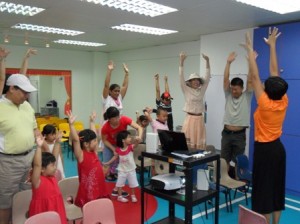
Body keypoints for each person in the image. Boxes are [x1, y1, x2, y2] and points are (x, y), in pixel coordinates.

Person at [245, 27, 288, 224]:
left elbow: (255, 78)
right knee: (277, 187)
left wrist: (251, 57)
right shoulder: (282, 100)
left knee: (263, 190)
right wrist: (272, 46)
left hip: (264, 150)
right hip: (278, 149)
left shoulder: (265, 104)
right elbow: (273, 72)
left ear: (267, 90)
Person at [0, 74, 38, 224]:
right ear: (12, 89)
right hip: (8, 162)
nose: (27, 96)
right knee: (6, 200)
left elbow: (34, 129)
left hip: (29, 157)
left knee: (24, 195)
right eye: (24, 92)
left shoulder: (26, 106)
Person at [67, 111, 109, 208]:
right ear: (86, 144)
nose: (96, 141)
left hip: (99, 186)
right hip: (88, 190)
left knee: (98, 208)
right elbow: (76, 140)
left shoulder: (94, 152)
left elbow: (94, 133)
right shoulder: (81, 155)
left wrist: (92, 121)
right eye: (94, 141)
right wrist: (71, 125)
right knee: (88, 210)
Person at [221, 52, 253, 171]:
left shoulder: (247, 96)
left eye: (236, 89)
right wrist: (228, 63)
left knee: (238, 160)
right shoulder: (228, 94)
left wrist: (251, 62)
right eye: (232, 88)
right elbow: (225, 79)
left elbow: (250, 80)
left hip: (239, 135)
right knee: (224, 159)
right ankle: (223, 181)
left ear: (242, 89)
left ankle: (237, 183)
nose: (233, 91)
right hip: (226, 133)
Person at [101, 106, 142, 197]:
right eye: (115, 118)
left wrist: (139, 136)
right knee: (106, 167)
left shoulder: (124, 119)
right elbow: (104, 140)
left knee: (121, 169)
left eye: (118, 116)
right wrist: (113, 149)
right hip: (110, 146)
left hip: (121, 146)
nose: (118, 119)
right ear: (109, 119)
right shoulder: (105, 127)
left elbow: (139, 128)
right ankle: (100, 188)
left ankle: (117, 189)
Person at [28, 136, 67, 224]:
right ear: (42, 169)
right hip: (42, 211)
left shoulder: (52, 176)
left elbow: (55, 157)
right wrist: (38, 147)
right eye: (52, 165)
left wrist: (57, 143)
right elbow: (37, 164)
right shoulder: (37, 181)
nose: (55, 167)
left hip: (56, 208)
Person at [179, 52, 211, 149]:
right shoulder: (186, 89)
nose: (196, 81)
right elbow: (181, 77)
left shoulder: (201, 90)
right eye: (194, 80)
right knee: (188, 145)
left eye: (198, 80)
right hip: (190, 119)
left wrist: (207, 61)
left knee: (199, 146)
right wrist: (181, 62)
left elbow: (207, 77)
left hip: (199, 119)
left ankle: (198, 162)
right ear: (190, 82)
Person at [103, 130, 139, 203]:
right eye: (128, 137)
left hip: (131, 169)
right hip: (122, 170)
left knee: (132, 183)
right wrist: (108, 163)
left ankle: (133, 195)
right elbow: (115, 157)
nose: (130, 139)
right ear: (123, 140)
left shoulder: (130, 147)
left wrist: (137, 141)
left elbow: (136, 145)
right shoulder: (118, 150)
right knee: (120, 184)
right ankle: (119, 196)